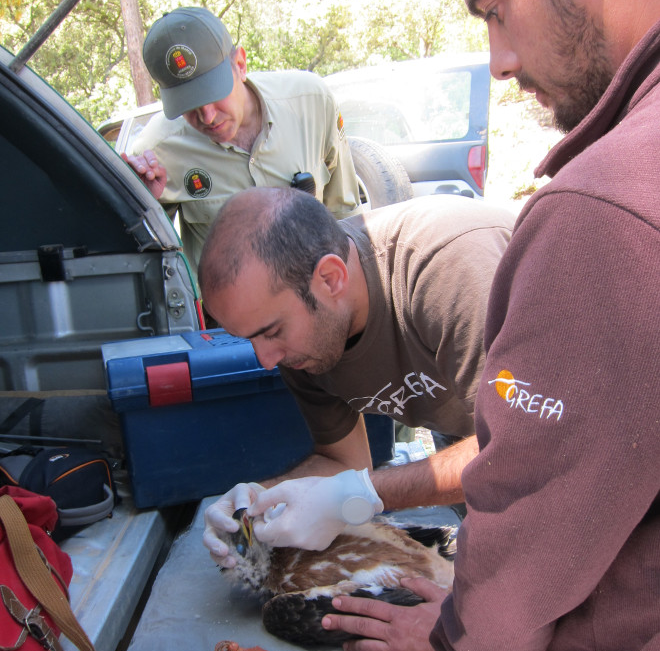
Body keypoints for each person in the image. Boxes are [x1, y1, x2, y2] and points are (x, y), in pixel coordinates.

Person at [319, 0, 660, 651]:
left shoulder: (604, 215)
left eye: (493, 7)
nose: (499, 62)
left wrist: (458, 642)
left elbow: (535, 495)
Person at [198, 186, 514, 558]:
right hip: (474, 427)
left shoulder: (447, 270)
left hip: (568, 420)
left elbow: (520, 450)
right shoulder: (302, 337)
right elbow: (345, 462)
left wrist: (358, 495)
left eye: (271, 332)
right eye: (248, 339)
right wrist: (258, 500)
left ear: (331, 278)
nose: (266, 359)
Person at [124, 7, 362, 274]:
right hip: (226, 315)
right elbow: (148, 258)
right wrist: (145, 201)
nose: (207, 116)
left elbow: (347, 215)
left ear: (240, 65)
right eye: (189, 105)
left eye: (214, 94)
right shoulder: (158, 150)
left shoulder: (311, 103)